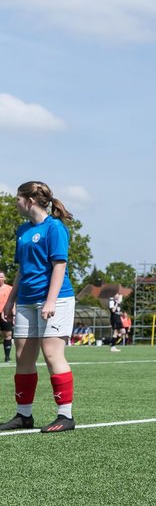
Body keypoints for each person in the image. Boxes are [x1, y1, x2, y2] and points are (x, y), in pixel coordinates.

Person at [0, 181, 79, 432]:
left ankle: (65, 416)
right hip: (26, 301)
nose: (16, 203)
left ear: (30, 200)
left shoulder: (54, 228)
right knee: (23, 357)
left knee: (53, 355)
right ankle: (24, 416)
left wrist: (51, 301)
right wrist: (12, 299)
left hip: (56, 299)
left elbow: (59, 265)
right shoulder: (23, 230)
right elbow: (22, 269)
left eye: (18, 199)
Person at [0, 270, 13, 363]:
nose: (0, 278)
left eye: (1, 277)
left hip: (6, 314)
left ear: (4, 278)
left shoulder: (10, 288)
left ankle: (7, 357)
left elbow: (14, 302)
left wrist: (14, 315)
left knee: (7, 335)